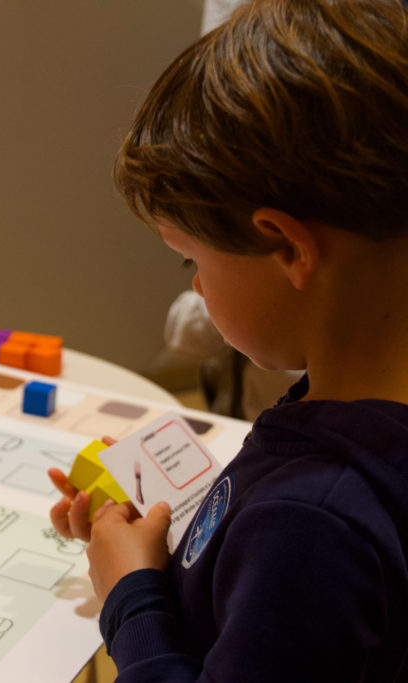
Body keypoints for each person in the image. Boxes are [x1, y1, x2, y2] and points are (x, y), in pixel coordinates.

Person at [49, 0, 408, 679]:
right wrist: (159, 550)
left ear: (286, 248)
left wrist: (131, 596)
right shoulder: (347, 422)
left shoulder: (311, 529)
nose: (199, 291)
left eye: (194, 262)